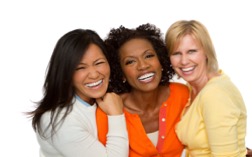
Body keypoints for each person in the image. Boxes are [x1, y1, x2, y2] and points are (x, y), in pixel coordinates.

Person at [27, 29, 128, 157]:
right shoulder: (60, 120)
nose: (94, 74)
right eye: (80, 68)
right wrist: (116, 115)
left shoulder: (105, 98)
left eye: (99, 63)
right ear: (66, 72)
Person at [96, 23, 190, 157]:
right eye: (130, 62)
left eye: (148, 56)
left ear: (160, 60)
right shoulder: (108, 111)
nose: (143, 66)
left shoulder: (183, 95)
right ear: (120, 72)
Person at [165, 20, 247, 156]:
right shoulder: (192, 89)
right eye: (176, 53)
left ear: (206, 52)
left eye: (191, 51)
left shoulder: (215, 94)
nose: (184, 61)